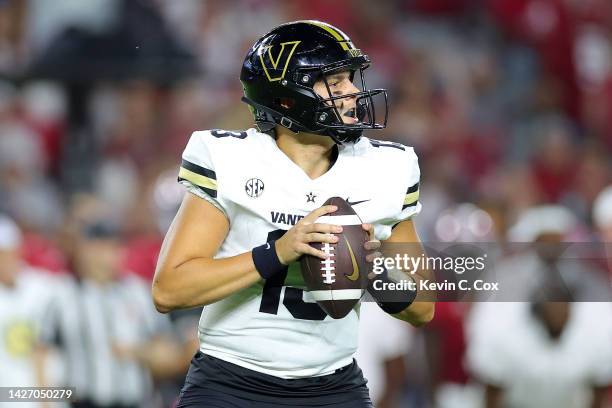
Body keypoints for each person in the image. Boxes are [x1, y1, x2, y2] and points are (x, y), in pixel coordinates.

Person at [153, 20, 434, 407]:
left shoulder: (387, 168)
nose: (353, 92)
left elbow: (423, 307)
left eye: (350, 80)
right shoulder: (230, 159)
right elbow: (170, 288)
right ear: (287, 98)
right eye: (334, 84)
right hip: (231, 383)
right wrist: (279, 252)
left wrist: (378, 271)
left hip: (333, 386)